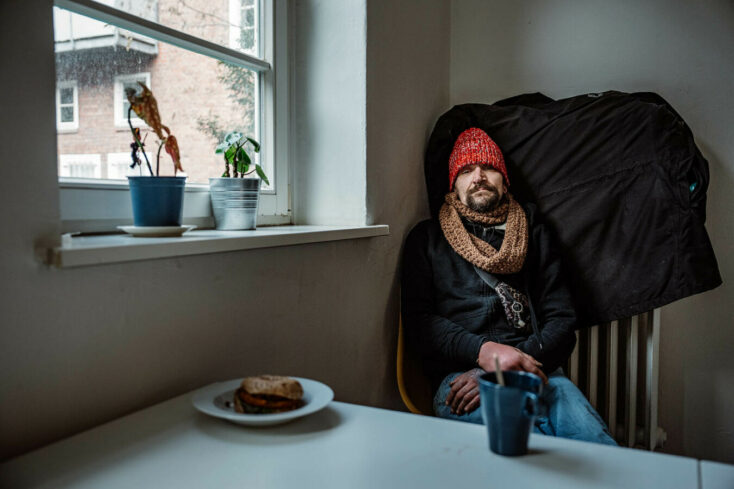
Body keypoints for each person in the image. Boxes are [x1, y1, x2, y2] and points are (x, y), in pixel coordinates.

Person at [402, 127, 616, 445]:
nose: (478, 177)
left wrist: (505, 367)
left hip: (536, 370)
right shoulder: (427, 239)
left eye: (488, 167)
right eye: (466, 170)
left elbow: (562, 321)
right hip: (462, 381)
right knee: (530, 448)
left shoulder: (535, 233)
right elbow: (419, 323)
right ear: (453, 185)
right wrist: (483, 353)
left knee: (596, 446)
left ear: (504, 180)